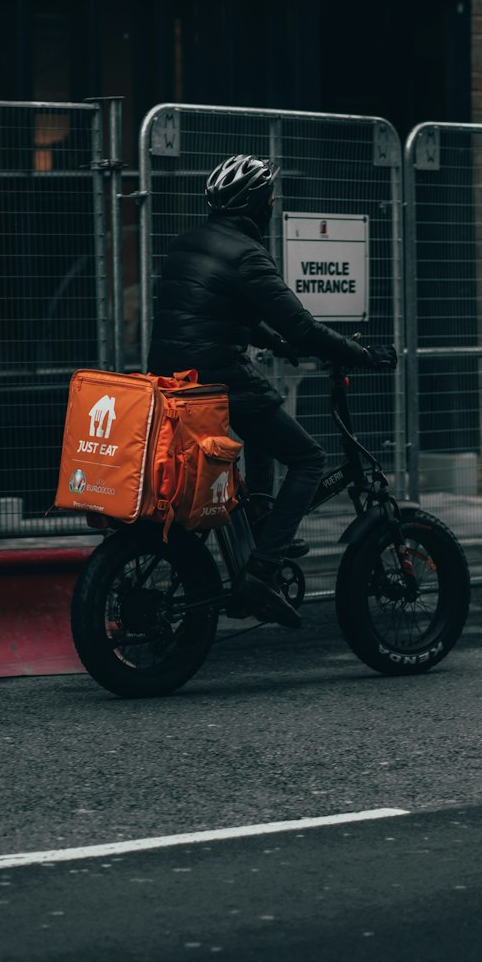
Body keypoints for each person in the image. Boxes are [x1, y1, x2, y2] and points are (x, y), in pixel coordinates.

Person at [147, 153, 397, 628]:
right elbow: (301, 325)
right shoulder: (246, 253)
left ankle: (261, 515)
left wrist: (274, 343)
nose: (273, 207)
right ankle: (261, 573)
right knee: (308, 458)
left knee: (264, 416)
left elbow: (216, 308)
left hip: (174, 383)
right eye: (270, 199)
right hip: (218, 379)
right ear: (257, 205)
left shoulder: (186, 243)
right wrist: (362, 355)